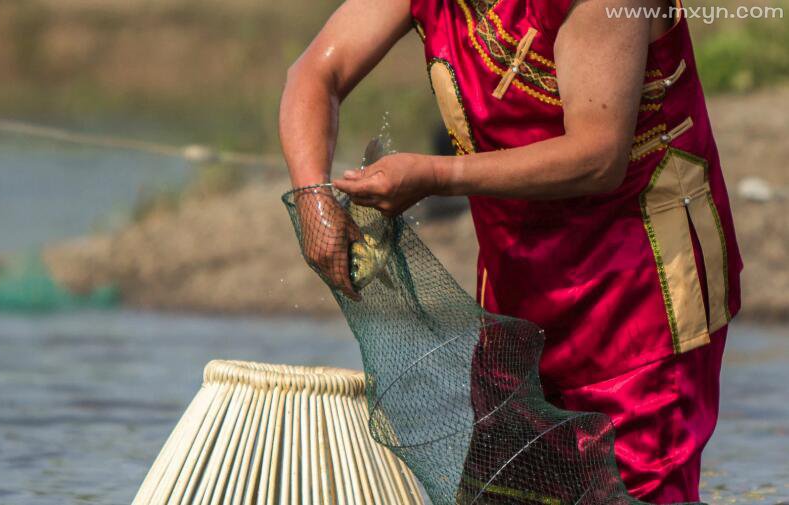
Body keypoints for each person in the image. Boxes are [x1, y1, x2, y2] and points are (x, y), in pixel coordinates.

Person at [278, 0, 742, 502]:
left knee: (633, 484)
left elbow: (598, 155)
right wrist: (312, 198)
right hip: (516, 277)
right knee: (511, 484)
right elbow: (315, 73)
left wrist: (436, 176)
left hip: (639, 289)